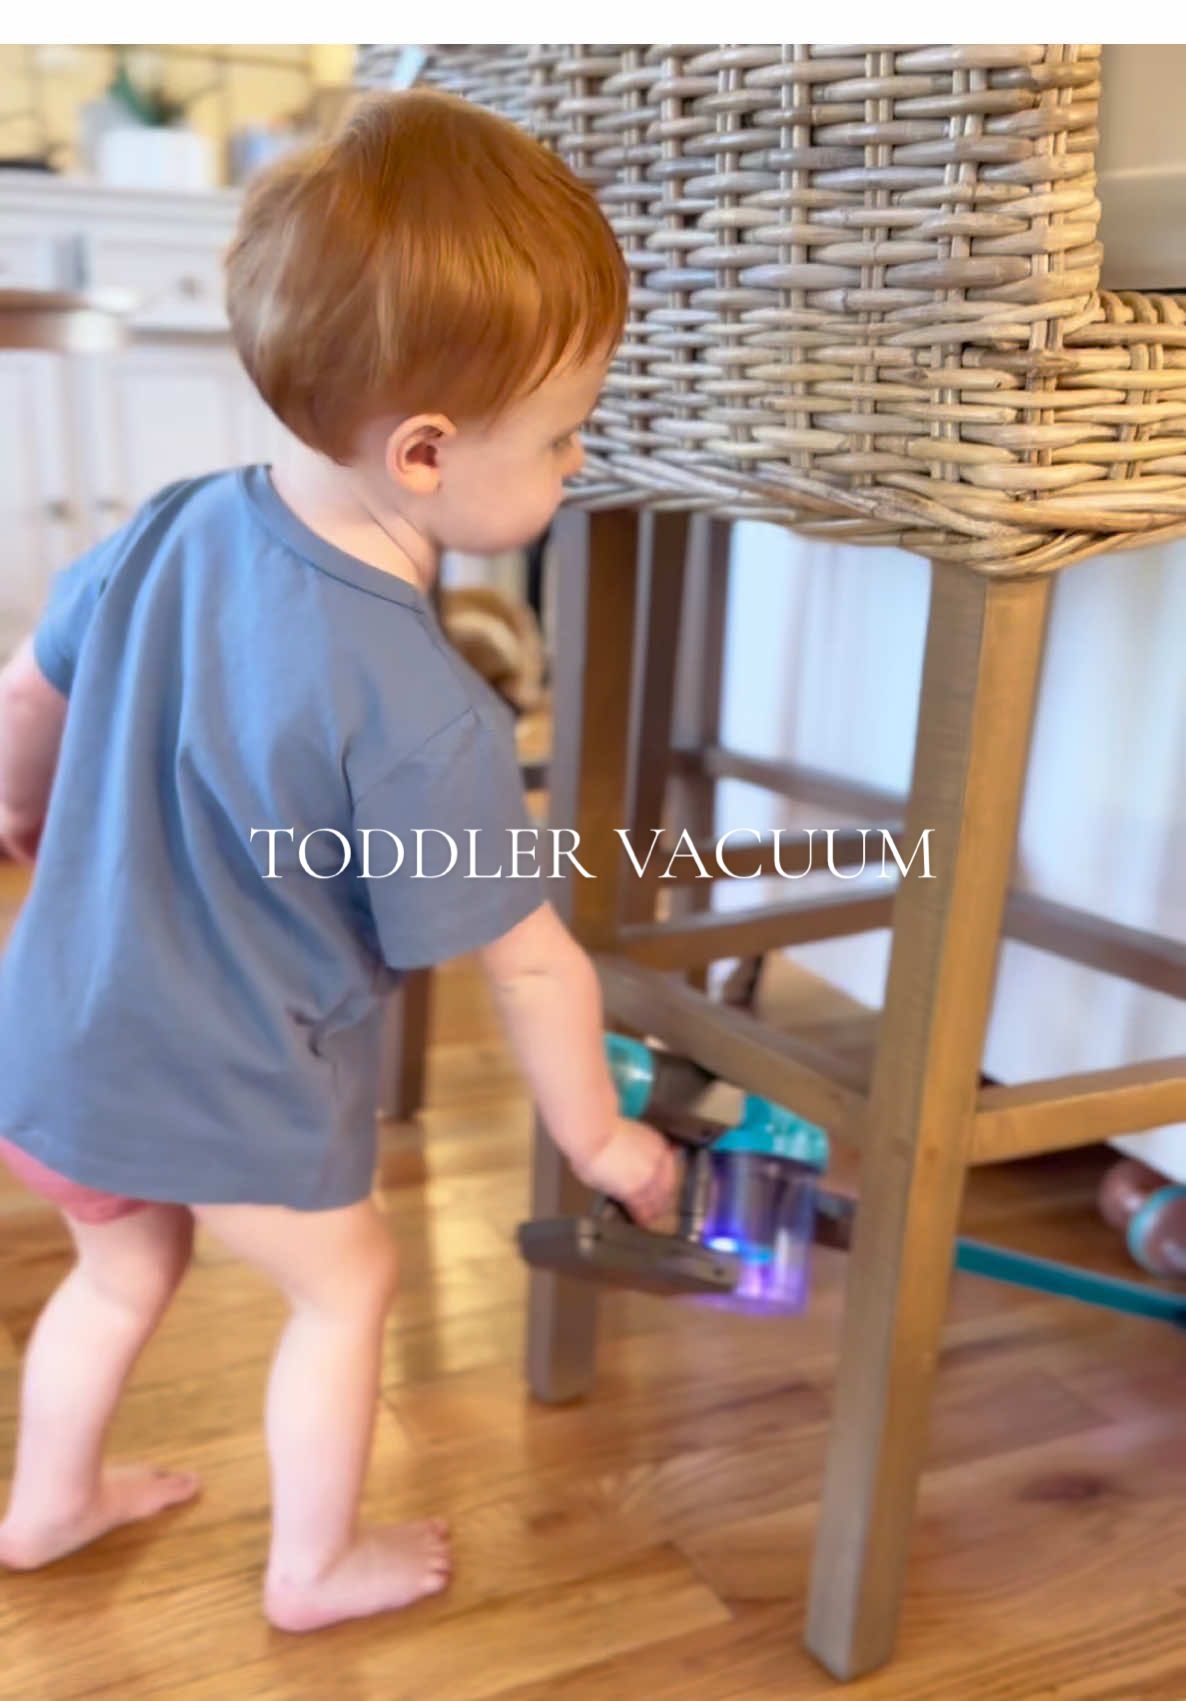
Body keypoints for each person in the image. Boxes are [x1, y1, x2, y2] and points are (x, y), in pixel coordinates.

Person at [0, 88, 679, 1634]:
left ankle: (45, 1506)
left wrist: (20, 811)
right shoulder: (425, 706)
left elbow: (23, 692)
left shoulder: (169, 524)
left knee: (120, 1275)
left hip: (50, 1029)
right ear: (426, 452)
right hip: (221, 1072)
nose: (578, 462)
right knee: (348, 1281)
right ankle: (309, 1568)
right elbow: (527, 957)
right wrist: (605, 1146)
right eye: (565, 431)